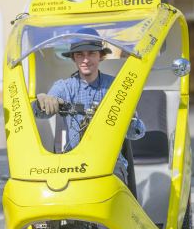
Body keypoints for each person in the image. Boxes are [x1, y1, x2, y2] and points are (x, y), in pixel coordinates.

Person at [34, 27, 146, 182]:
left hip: (110, 164)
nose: (85, 60)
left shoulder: (115, 86)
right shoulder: (64, 87)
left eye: (91, 53)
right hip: (74, 164)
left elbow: (136, 133)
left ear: (101, 56)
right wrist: (41, 102)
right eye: (80, 54)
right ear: (73, 58)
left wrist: (131, 117)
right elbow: (41, 114)